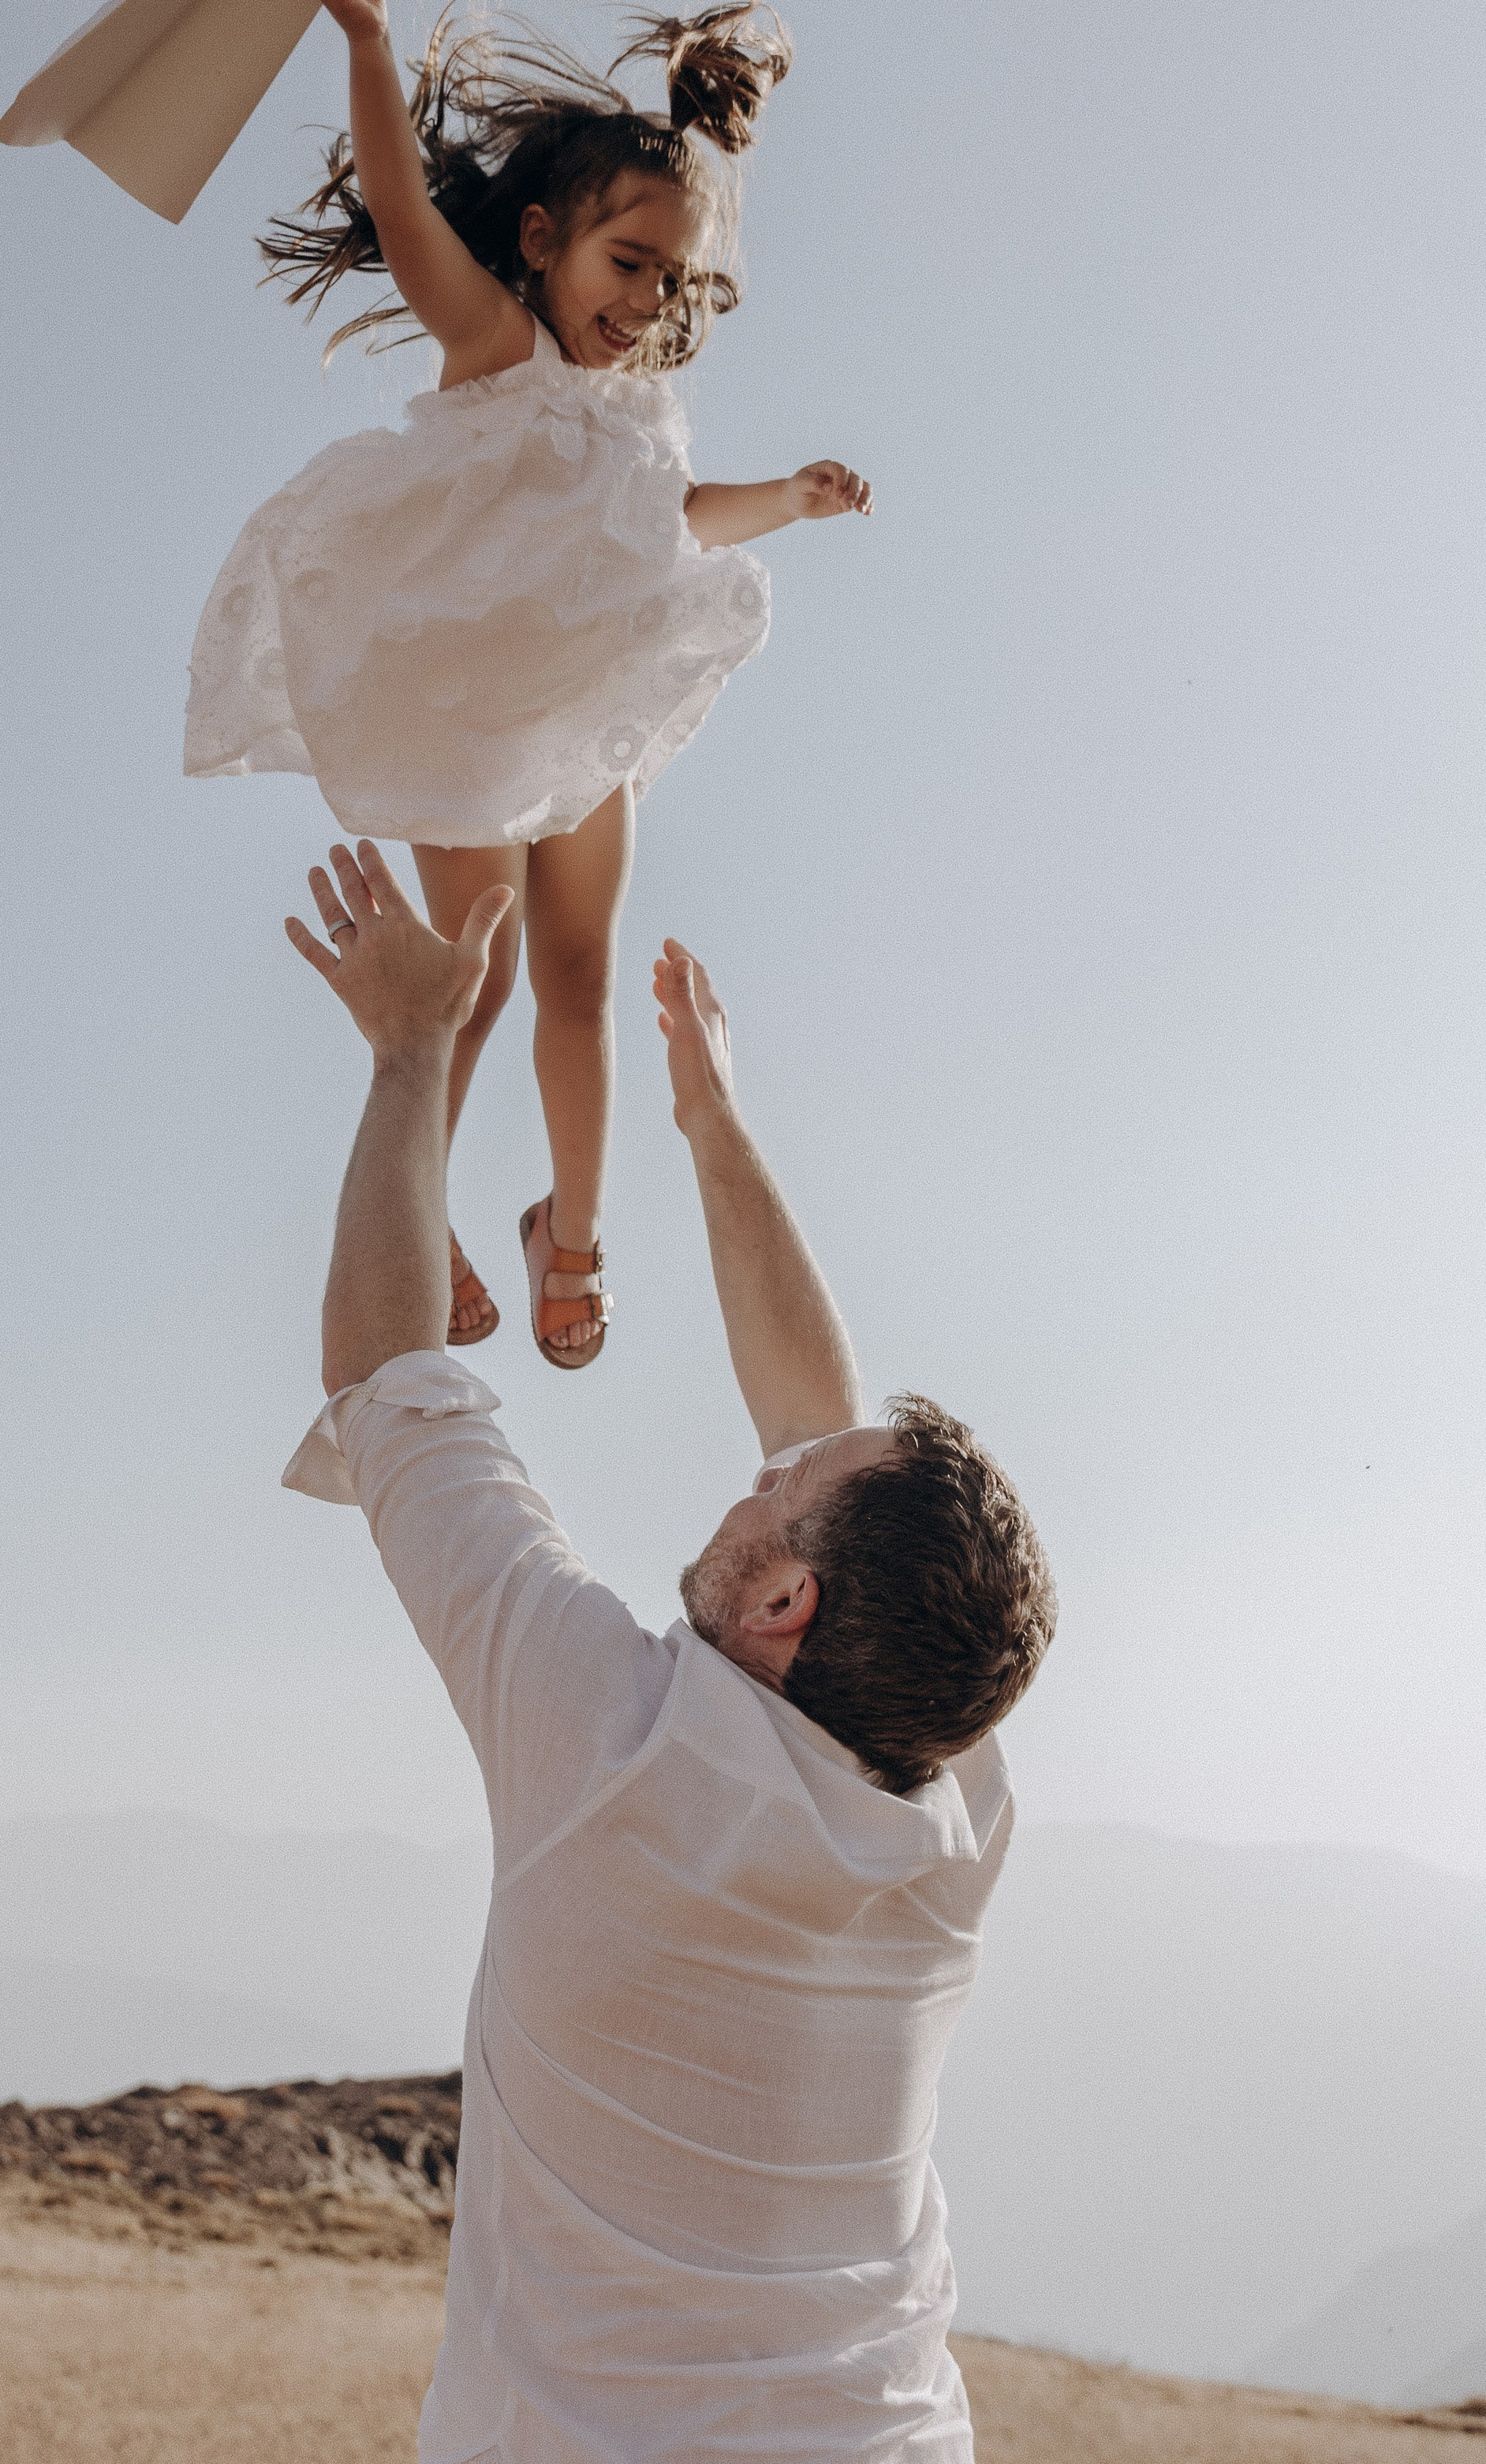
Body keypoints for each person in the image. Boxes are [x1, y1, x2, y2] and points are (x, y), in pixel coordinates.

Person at [282, 840, 1057, 2464]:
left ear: (786, 1608)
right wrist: (708, 1125)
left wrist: (415, 1047)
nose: (758, 1462)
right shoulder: (944, 1801)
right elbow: (822, 1420)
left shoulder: (609, 1748)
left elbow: (391, 1385)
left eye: (779, 1490)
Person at [188, 0, 872, 1368]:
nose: (645, 302)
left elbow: (676, 516)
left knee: (581, 972)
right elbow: (398, 200)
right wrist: (367, 41)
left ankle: (573, 1234)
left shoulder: (636, 419)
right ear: (549, 241)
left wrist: (793, 504)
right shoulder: (495, 346)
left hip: (584, 707)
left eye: (671, 282)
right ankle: (419, 1204)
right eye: (629, 262)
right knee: (478, 978)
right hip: (469, 706)